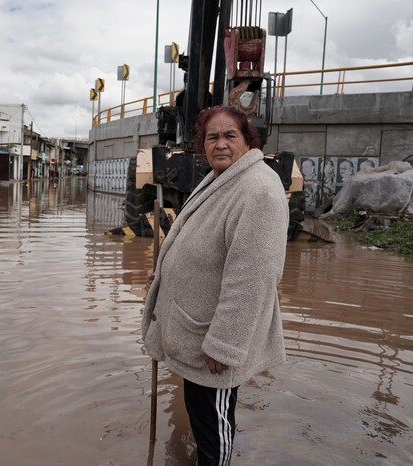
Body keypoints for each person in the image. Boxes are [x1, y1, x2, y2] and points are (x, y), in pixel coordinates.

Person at [141, 106, 289, 466]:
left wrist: (225, 344)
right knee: (200, 414)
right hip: (198, 328)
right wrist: (165, 273)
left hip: (217, 342)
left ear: (247, 140)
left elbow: (252, 278)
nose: (220, 144)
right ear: (201, 144)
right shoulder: (222, 178)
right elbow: (199, 241)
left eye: (229, 136)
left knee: (214, 428)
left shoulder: (259, 192)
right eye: (212, 137)